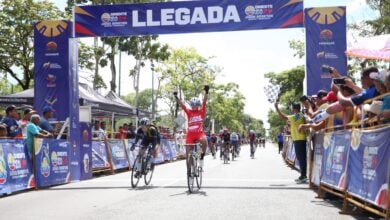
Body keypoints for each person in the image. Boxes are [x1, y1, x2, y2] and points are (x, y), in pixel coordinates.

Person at [174, 85, 209, 170]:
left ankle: (201, 158)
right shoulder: (189, 112)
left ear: (198, 105)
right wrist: (176, 96)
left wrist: (206, 92)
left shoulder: (201, 111)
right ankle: (190, 171)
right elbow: (182, 105)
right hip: (190, 135)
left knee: (204, 140)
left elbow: (204, 102)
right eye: (192, 106)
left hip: (199, 134)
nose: (194, 107)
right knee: (188, 156)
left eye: (196, 105)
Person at [275, 101, 307, 183]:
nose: (292, 110)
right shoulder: (298, 115)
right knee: (300, 158)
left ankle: (304, 176)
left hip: (300, 139)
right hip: (297, 139)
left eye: (292, 108)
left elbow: (283, 117)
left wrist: (277, 108)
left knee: (302, 158)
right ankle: (302, 175)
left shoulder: (298, 116)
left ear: (294, 108)